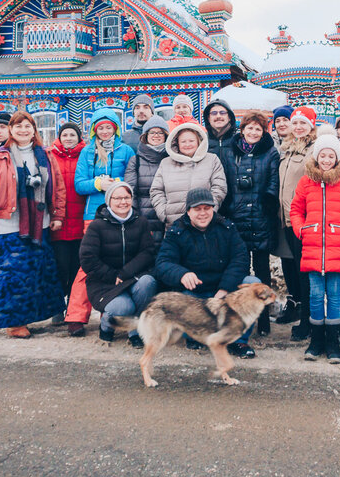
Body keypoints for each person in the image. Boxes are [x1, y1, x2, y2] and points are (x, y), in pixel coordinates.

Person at [0, 111, 65, 338]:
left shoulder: (46, 155)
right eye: (18, 126)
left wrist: (57, 215)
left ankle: (29, 317)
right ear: (11, 130)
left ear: (34, 130)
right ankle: (14, 323)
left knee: (34, 273)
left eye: (28, 126)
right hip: (7, 226)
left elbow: (58, 188)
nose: (23, 130)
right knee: (10, 276)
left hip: (39, 225)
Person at [154, 187, 258, 357]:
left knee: (251, 284)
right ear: (188, 211)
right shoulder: (176, 231)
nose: (203, 213)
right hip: (195, 294)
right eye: (197, 209)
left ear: (213, 209)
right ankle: (197, 337)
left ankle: (238, 341)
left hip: (223, 291)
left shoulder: (227, 227)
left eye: (207, 208)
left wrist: (224, 289)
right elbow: (163, 263)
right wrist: (182, 274)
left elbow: (240, 259)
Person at [290, 134, 340, 363]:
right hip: (313, 248)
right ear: (316, 157)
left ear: (336, 158)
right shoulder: (306, 181)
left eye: (330, 155)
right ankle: (316, 341)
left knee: (334, 295)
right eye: (322, 155)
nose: (326, 159)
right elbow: (295, 210)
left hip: (337, 248)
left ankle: (333, 341)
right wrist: (302, 230)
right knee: (315, 295)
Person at [218, 110, 280, 335]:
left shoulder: (271, 152)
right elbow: (224, 183)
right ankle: (239, 319)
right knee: (239, 270)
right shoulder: (229, 153)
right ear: (242, 130)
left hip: (261, 219)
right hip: (236, 218)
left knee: (263, 271)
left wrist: (268, 203)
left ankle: (264, 320)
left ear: (263, 131)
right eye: (249, 128)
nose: (253, 132)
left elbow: (274, 181)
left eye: (258, 128)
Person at [78, 182, 159, 347]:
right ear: (109, 200)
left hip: (132, 277)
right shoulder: (97, 226)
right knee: (124, 307)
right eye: (118, 198)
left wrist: (124, 273)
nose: (123, 202)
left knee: (148, 282)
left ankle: (135, 330)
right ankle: (107, 325)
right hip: (104, 282)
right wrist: (112, 275)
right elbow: (88, 258)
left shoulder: (141, 222)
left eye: (127, 197)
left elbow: (148, 252)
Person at [274, 106, 319, 340]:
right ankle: (299, 309)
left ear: (311, 126)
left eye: (304, 123)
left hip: (303, 218)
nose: (299, 127)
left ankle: (307, 321)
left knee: (305, 269)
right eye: (296, 123)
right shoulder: (288, 148)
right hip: (286, 218)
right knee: (291, 265)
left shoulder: (314, 149)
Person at [150, 121, 228, 228]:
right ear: (177, 143)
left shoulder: (212, 159)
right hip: (174, 223)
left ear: (198, 142)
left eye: (191, 141)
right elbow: (156, 190)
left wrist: (209, 211)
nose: (187, 144)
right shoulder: (166, 163)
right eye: (183, 141)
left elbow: (219, 187)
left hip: (205, 223)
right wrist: (164, 213)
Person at [48, 123, 87, 329]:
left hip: (80, 219)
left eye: (73, 134)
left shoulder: (86, 155)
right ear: (59, 137)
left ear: (78, 137)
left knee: (76, 267)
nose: (69, 138)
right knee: (59, 265)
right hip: (59, 220)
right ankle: (57, 306)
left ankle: (73, 309)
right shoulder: (50, 156)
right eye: (65, 134)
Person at [123, 115, 170, 247]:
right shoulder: (136, 161)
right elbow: (130, 190)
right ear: (146, 135)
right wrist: (136, 219)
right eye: (152, 132)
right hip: (144, 218)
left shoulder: (172, 158)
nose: (156, 135)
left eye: (160, 132)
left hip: (168, 216)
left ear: (166, 135)